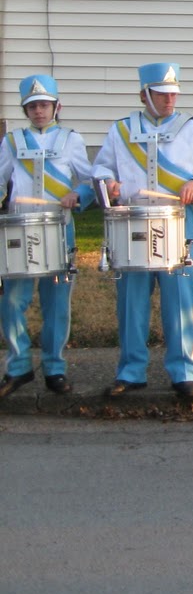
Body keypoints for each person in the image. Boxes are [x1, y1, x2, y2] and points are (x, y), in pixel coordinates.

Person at [94, 62, 193, 398]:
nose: (170, 100)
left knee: (180, 299)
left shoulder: (192, 129)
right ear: (144, 95)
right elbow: (101, 167)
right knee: (131, 301)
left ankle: (183, 371)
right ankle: (131, 370)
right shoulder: (121, 130)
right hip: (132, 223)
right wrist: (107, 182)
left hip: (178, 223)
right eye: (162, 94)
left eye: (173, 94)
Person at [0, 75, 94, 398]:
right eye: (32, 106)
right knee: (12, 302)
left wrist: (77, 194)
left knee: (56, 304)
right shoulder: (12, 142)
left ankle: (54, 368)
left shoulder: (71, 139)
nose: (38, 111)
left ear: (56, 106)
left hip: (59, 227)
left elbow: (88, 180)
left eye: (44, 105)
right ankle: (19, 365)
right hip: (20, 229)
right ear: (25, 110)